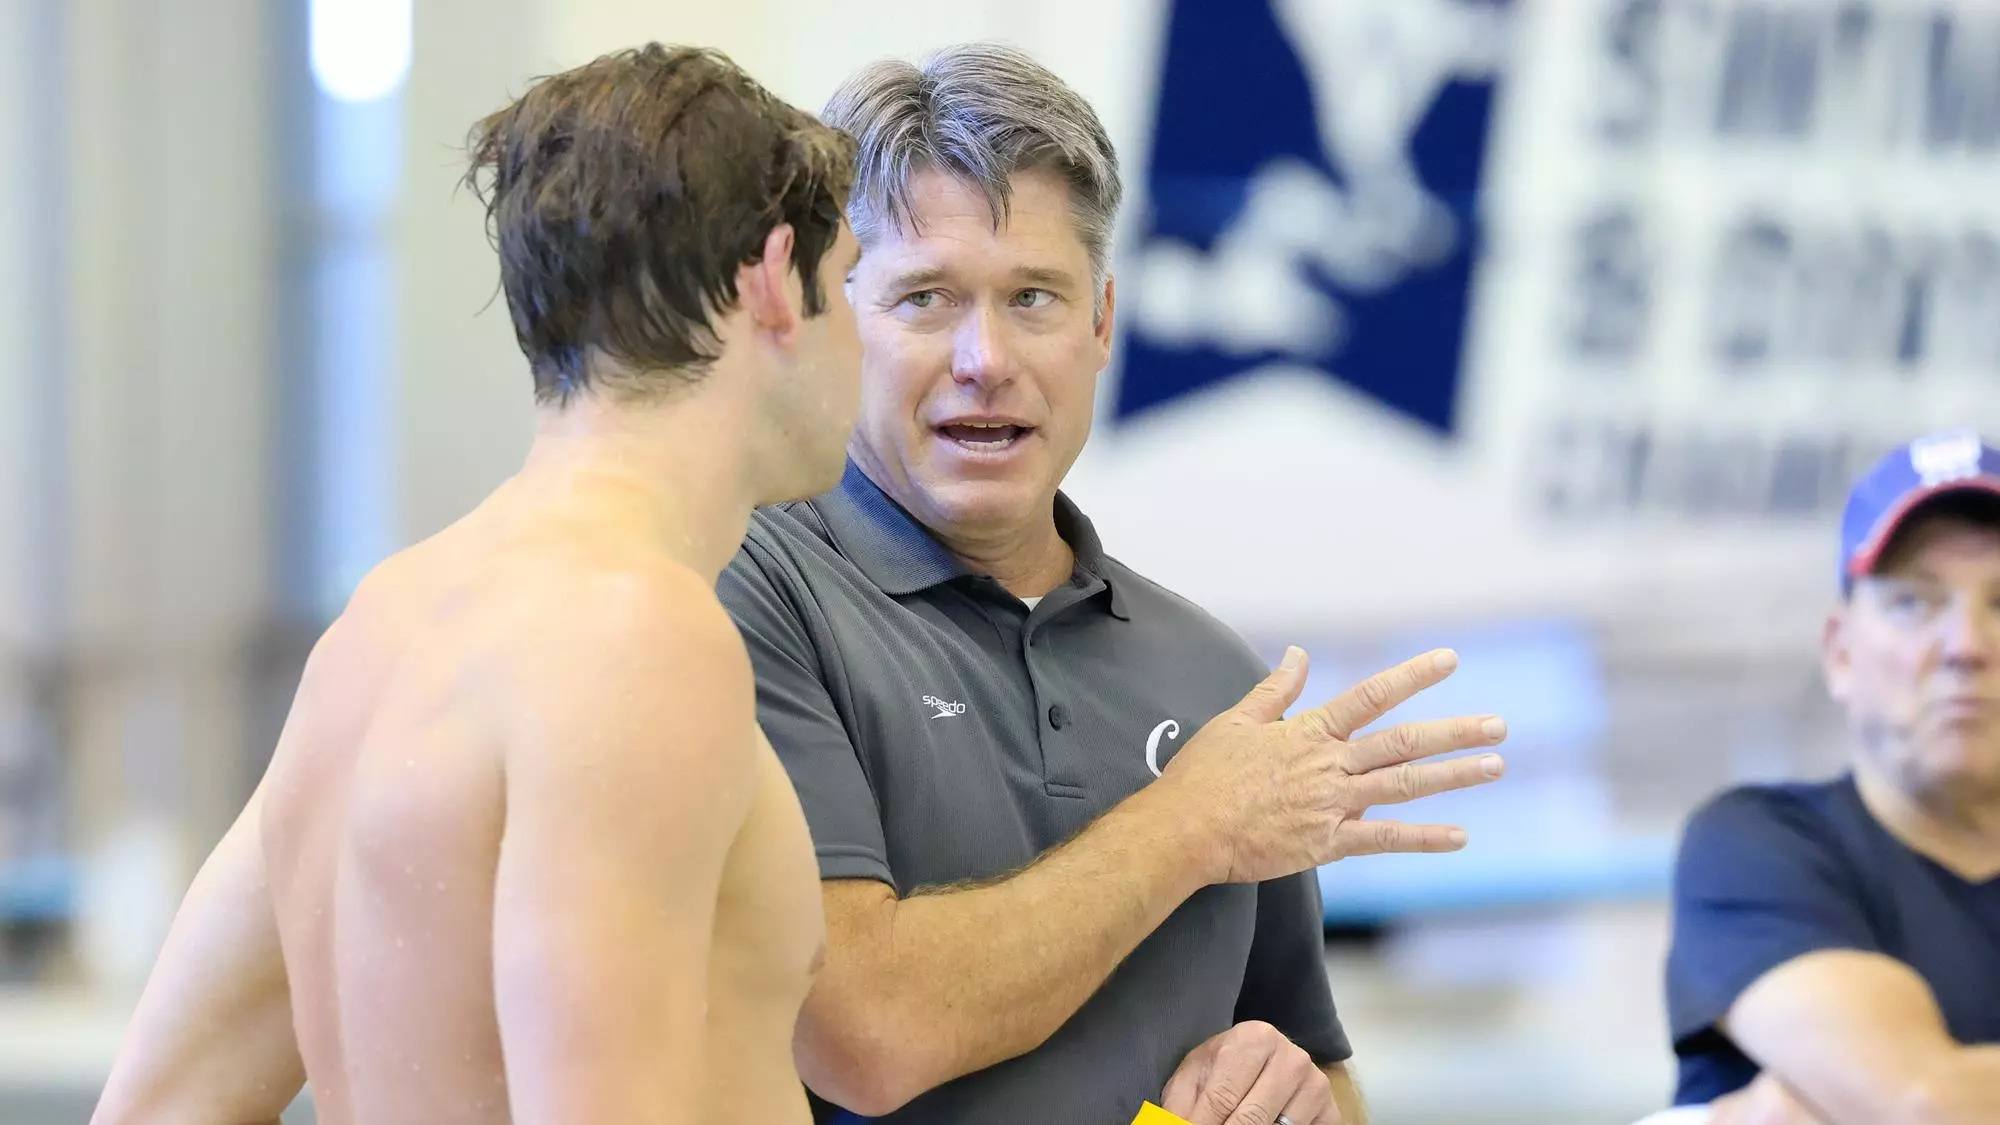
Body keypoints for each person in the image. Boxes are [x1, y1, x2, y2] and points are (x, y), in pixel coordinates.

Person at [717, 43, 1510, 1125]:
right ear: (834, 320)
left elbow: (1319, 1071)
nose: (984, 358)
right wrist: (1187, 825)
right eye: (926, 299)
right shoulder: (747, 598)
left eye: (1032, 297)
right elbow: (867, 1031)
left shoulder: (1210, 676)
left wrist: (1302, 1099)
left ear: (1100, 324)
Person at [90, 44, 861, 1125]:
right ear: (777, 280)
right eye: (854, 283)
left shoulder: (379, 632)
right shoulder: (637, 635)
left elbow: (156, 1108)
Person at [1663, 430, 2000, 1125]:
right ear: (1841, 653)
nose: (1967, 647)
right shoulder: (1758, 847)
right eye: (1915, 601)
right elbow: (1920, 1100)